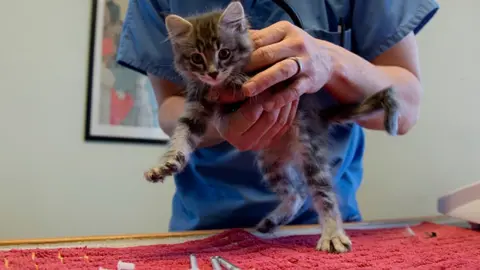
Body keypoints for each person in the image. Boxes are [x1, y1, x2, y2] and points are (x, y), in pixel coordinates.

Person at [116, 0, 439, 231]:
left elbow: (406, 106)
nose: (213, 69)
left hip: (320, 226)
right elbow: (170, 106)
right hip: (206, 226)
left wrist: (331, 61)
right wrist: (217, 121)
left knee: (309, 156)